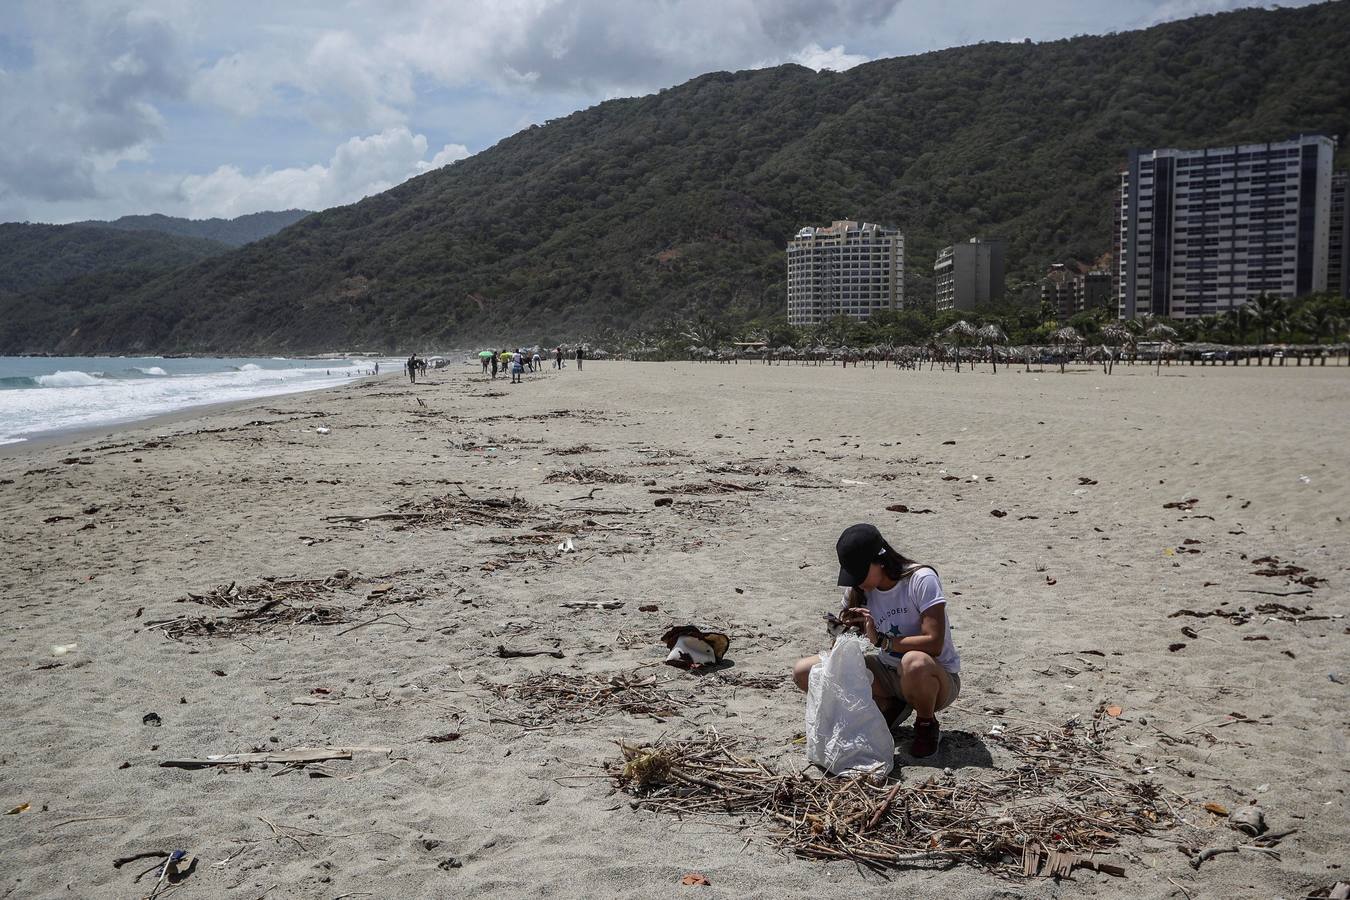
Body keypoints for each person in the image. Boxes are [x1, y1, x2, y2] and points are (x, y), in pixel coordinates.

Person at [792, 524, 962, 758]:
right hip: (887, 673)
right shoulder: (858, 591)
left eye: (860, 573)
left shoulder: (920, 579)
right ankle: (890, 705)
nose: (857, 582)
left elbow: (934, 643)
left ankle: (926, 725)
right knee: (805, 671)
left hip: (934, 677)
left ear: (880, 560)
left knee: (913, 663)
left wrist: (883, 640)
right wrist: (842, 633)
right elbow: (842, 656)